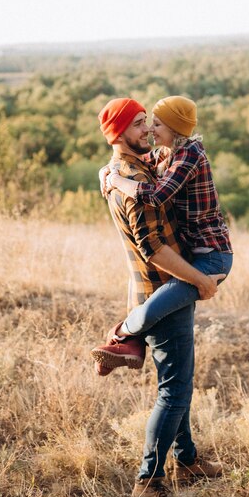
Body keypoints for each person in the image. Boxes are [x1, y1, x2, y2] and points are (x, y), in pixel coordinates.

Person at [91, 97, 223, 497]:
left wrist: (108, 172)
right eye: (138, 125)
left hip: (165, 287)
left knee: (178, 382)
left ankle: (187, 461)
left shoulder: (127, 170)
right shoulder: (128, 177)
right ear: (118, 135)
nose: (147, 131)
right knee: (175, 391)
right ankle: (147, 479)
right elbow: (154, 249)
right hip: (164, 285)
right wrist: (201, 279)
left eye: (149, 123)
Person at [92, 95, 232, 366]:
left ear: (174, 128)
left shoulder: (190, 154)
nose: (150, 130)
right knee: (157, 313)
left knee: (154, 309)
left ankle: (120, 335)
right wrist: (106, 171)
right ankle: (128, 344)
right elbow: (131, 157)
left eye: (155, 124)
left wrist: (117, 180)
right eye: (144, 124)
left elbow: (156, 195)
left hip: (213, 256)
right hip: (192, 259)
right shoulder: (165, 154)